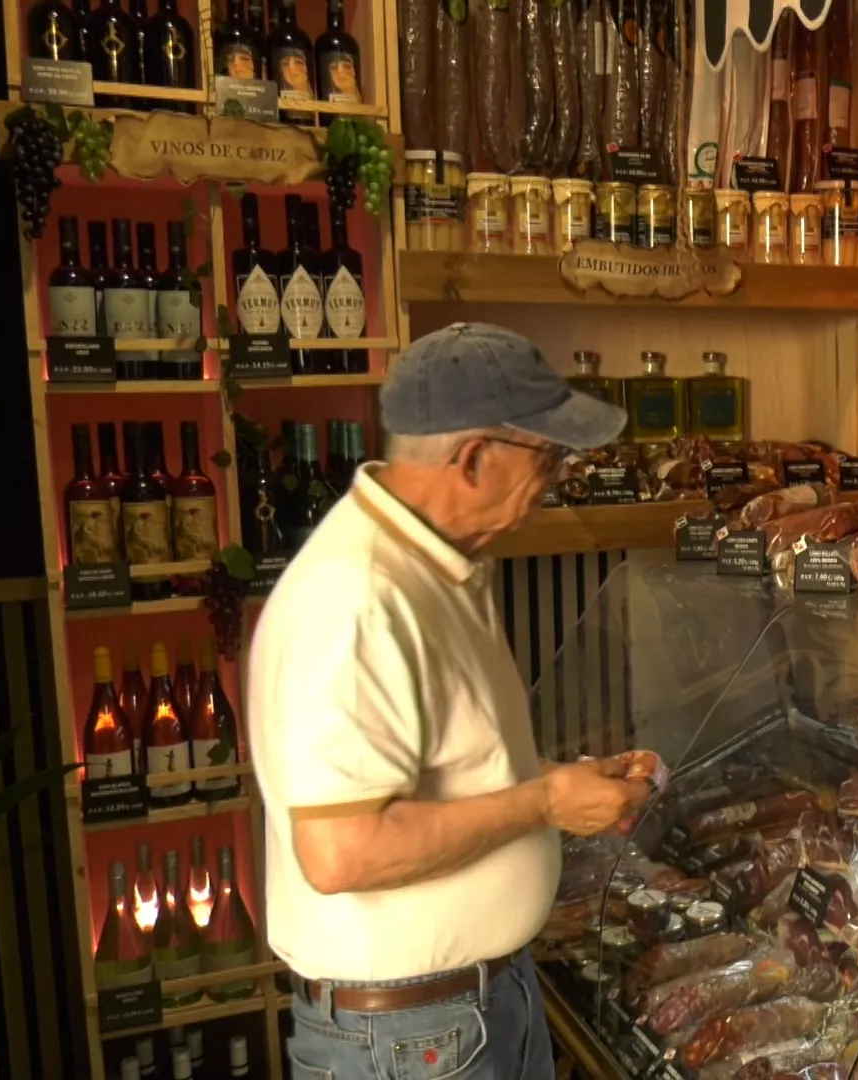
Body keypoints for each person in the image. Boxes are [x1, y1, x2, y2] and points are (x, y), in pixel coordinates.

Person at [248, 322, 654, 1078]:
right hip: (408, 1043)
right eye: (549, 456)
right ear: (472, 459)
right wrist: (543, 804)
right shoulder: (359, 595)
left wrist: (562, 779)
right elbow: (341, 851)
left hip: (462, 1014)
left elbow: (439, 767)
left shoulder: (433, 565)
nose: (557, 477)